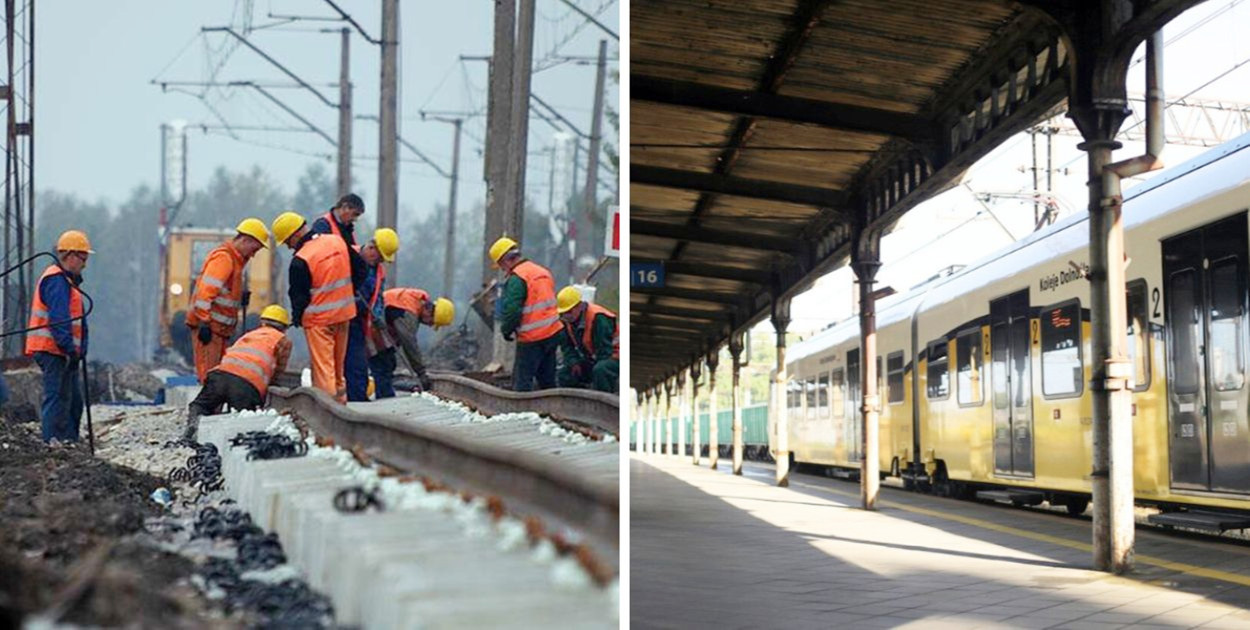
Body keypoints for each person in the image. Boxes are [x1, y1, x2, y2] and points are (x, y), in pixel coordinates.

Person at [272, 212, 359, 402]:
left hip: (319, 322)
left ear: (295, 235)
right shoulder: (336, 241)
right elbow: (359, 268)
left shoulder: (301, 259)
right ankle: (341, 407)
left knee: (324, 371)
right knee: (338, 369)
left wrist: (297, 317)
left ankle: (328, 419)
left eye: (287, 241)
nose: (288, 246)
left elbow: (298, 296)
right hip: (344, 315)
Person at [185, 305, 293, 440]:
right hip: (246, 385)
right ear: (284, 327)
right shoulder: (282, 339)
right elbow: (279, 369)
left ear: (263, 322)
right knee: (242, 418)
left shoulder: (249, 334)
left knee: (201, 405)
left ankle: (191, 430)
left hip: (219, 376)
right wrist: (269, 384)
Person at [26, 230, 92, 444]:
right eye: (83, 258)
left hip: (62, 351)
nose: (85, 264)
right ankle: (52, 442)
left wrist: (78, 350)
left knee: (73, 401)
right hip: (53, 350)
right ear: (71, 255)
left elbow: (76, 321)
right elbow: (59, 319)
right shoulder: (56, 281)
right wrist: (70, 349)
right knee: (56, 398)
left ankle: (68, 442)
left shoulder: (67, 281)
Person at [185, 218, 270, 383]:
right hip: (210, 327)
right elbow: (205, 293)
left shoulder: (235, 261)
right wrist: (204, 322)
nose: (253, 254)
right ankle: (207, 408)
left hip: (219, 329)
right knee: (210, 373)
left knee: (217, 372)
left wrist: (239, 298)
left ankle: (212, 407)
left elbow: (223, 293)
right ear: (246, 240)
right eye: (255, 248)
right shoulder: (224, 259)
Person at [488, 237, 561, 391]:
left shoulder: (517, 278)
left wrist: (506, 330)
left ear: (505, 261)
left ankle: (521, 412)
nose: (503, 270)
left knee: (522, 382)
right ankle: (551, 410)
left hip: (532, 337)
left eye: (501, 266)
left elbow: (513, 310)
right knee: (547, 380)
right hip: (553, 332)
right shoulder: (542, 271)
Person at [345, 228, 398, 401]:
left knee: (359, 360)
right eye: (380, 257)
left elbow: (378, 297)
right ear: (371, 248)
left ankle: (357, 397)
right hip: (342, 314)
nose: (380, 261)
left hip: (360, 319)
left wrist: (378, 316)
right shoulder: (347, 255)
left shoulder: (378, 271)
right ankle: (352, 396)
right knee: (349, 360)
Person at [377, 288, 454, 395]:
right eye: (431, 322)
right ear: (429, 311)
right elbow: (409, 344)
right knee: (383, 365)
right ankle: (382, 397)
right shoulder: (408, 311)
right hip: (371, 328)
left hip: (375, 327)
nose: (430, 325)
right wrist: (421, 373)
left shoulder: (414, 302)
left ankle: (383, 394)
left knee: (387, 363)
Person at [555, 286, 619, 393]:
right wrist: (574, 362)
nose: (566, 316)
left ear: (579, 306)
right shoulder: (566, 321)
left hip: (615, 357)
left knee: (600, 370)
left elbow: (604, 352)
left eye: (569, 311)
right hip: (593, 358)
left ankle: (603, 401)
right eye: (563, 313)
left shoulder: (599, 318)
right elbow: (567, 347)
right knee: (565, 373)